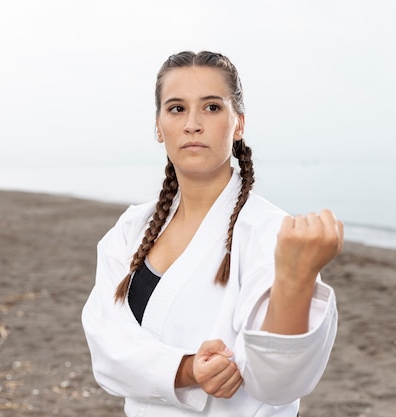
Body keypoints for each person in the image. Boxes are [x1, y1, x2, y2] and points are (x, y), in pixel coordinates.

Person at [81, 50, 343, 417]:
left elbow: (278, 385)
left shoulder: (270, 232)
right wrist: (188, 369)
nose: (192, 124)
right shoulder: (131, 229)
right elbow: (105, 346)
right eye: (176, 108)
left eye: (211, 107)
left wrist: (296, 279)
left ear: (238, 124)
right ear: (158, 126)